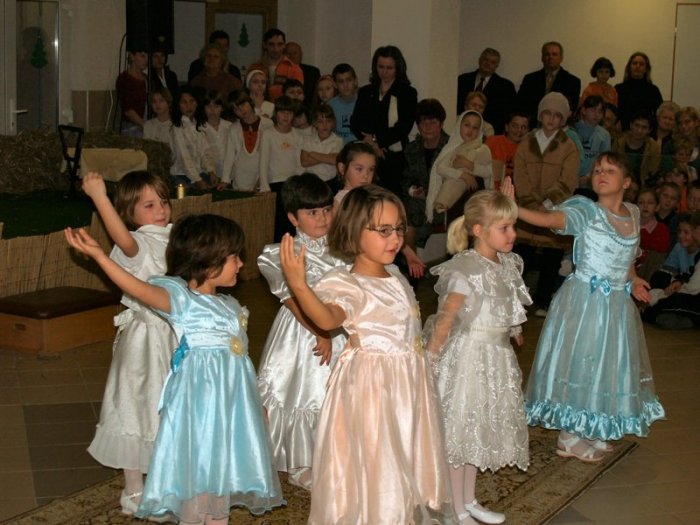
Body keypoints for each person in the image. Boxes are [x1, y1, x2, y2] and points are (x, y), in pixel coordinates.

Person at [64, 214, 285, 524]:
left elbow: (240, 362)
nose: (240, 263)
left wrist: (254, 401)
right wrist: (101, 257)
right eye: (234, 256)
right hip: (199, 410)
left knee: (222, 474)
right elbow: (138, 289)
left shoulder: (231, 305)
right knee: (198, 476)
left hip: (231, 408)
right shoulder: (182, 300)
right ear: (208, 262)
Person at [278, 184, 454, 524]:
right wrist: (299, 285)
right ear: (355, 232)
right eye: (383, 230)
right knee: (378, 461)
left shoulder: (396, 275)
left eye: (399, 229)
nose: (396, 238)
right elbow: (327, 319)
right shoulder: (347, 283)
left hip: (408, 387)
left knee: (406, 456)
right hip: (373, 392)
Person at [502, 152, 665, 463]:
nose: (601, 174)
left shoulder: (632, 213)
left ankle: (589, 426)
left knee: (605, 366)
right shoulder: (586, 211)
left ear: (626, 182)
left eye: (610, 170)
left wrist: (633, 280)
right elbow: (549, 220)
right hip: (586, 301)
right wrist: (515, 208)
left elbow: (628, 258)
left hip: (616, 305)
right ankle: (569, 435)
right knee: (582, 362)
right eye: (597, 169)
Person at [424, 190, 531, 525]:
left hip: (496, 360)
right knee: (459, 434)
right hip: (469, 360)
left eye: (513, 226)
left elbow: (508, 301)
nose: (513, 234)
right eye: (504, 228)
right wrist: (430, 360)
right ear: (478, 230)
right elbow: (446, 318)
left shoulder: (507, 264)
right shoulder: (465, 269)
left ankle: (468, 500)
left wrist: (514, 328)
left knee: (477, 432)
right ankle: (454, 509)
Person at [81, 171, 176, 519]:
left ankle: (166, 477)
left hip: (174, 336)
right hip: (145, 340)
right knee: (136, 408)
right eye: (149, 205)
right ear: (129, 214)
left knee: (167, 409)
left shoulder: (173, 236)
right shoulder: (138, 243)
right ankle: (134, 489)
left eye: (163, 201)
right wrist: (100, 197)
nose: (160, 210)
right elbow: (124, 242)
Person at [257, 173, 347, 491]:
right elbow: (292, 301)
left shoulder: (341, 249)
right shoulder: (280, 253)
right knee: (304, 390)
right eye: (312, 212)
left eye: (326, 210)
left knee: (337, 391)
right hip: (302, 332)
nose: (322, 218)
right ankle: (299, 463)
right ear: (294, 218)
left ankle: (332, 453)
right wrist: (321, 331)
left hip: (338, 327)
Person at [513, 92, 579, 316]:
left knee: (552, 256)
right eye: (547, 113)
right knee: (521, 254)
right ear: (540, 115)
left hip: (553, 209)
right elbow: (520, 175)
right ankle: (515, 299)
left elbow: (568, 179)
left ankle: (543, 301)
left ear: (563, 119)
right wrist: (530, 201)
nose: (551, 119)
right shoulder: (526, 143)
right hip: (528, 207)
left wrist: (549, 202)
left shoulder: (568, 146)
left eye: (557, 115)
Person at [334, 140, 426, 278]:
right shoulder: (341, 202)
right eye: (359, 169)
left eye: (371, 169)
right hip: (354, 266)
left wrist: (409, 254)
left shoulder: (373, 198)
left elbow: (390, 230)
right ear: (342, 168)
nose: (366, 175)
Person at [350, 45, 417, 196]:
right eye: (381, 67)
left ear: (398, 68)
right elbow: (355, 123)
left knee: (390, 197)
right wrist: (372, 144)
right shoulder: (366, 91)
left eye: (389, 68)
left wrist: (377, 140)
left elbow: (404, 127)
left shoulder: (407, 93)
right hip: (366, 152)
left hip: (393, 156)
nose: (384, 72)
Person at [426, 110, 493, 222]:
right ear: (459, 126)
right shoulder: (452, 148)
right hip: (455, 199)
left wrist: (469, 165)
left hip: (475, 194)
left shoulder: (482, 149)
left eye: (475, 128)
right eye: (467, 125)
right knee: (456, 225)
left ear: (479, 131)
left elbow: (488, 173)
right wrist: (463, 175)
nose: (470, 130)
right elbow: (440, 168)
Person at [402, 98, 450, 251]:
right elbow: (405, 180)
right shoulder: (412, 149)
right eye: (423, 122)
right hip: (417, 203)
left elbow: (454, 184)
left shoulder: (451, 148)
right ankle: (411, 260)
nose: (427, 127)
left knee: (411, 218)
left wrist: (429, 195)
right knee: (403, 212)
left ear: (441, 124)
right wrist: (413, 191)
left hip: (443, 205)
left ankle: (410, 260)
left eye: (432, 122)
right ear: (418, 126)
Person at [643, 210, 700, 329]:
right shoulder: (679, 247)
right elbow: (668, 271)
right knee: (658, 277)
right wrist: (676, 282)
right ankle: (675, 315)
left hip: (691, 293)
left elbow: (692, 289)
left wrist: (665, 294)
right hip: (684, 285)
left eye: (687, 232)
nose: (681, 236)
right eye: (679, 231)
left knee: (678, 300)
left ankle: (652, 312)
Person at [259, 95, 304, 241]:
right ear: (276, 114)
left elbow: (299, 162)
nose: (285, 116)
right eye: (282, 112)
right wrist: (264, 185)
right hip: (275, 183)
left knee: (293, 224)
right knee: (278, 224)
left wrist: (300, 183)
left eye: (289, 112)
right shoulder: (268, 134)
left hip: (293, 185)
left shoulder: (297, 135)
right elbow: (263, 161)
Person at [219, 91, 273, 192]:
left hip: (263, 177)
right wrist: (225, 179)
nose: (241, 110)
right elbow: (229, 156)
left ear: (250, 102)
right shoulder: (233, 129)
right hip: (240, 179)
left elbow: (272, 155)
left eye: (243, 104)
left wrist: (262, 180)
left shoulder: (268, 124)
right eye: (236, 109)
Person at [456, 47, 517, 134]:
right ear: (480, 60)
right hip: (460, 130)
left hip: (490, 133)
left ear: (496, 66)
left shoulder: (506, 87)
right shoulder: (462, 80)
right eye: (486, 60)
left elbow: (508, 115)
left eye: (492, 62)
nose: (488, 63)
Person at [516, 42, 581, 121]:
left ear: (561, 58)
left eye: (554, 54)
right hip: (532, 124)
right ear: (542, 58)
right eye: (547, 54)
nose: (550, 57)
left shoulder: (573, 82)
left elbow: (570, 109)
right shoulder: (530, 79)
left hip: (558, 124)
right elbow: (520, 104)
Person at [169, 86, 217, 189]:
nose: (188, 106)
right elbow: (184, 157)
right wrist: (197, 180)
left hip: (199, 173)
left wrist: (211, 171)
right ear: (178, 105)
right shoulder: (177, 128)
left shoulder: (199, 125)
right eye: (184, 102)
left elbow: (206, 151)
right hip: (180, 175)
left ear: (197, 103)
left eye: (192, 101)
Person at [249, 28, 304, 101]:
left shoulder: (294, 69)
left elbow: (297, 96)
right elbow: (247, 91)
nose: (276, 49)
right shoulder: (255, 67)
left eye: (280, 44)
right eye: (271, 44)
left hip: (284, 107)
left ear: (284, 45)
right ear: (264, 45)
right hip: (259, 106)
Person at [611, 110, 660, 191]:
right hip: (619, 185)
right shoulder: (619, 142)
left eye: (644, 127)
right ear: (631, 125)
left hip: (643, 188)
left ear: (649, 130)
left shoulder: (653, 147)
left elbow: (652, 173)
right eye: (637, 125)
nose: (639, 130)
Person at [299, 104, 344, 191]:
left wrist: (312, 154)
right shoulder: (308, 139)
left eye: (328, 121)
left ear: (333, 123)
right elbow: (304, 162)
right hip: (310, 182)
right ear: (315, 123)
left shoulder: (338, 140)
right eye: (320, 122)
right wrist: (327, 157)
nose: (324, 125)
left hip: (330, 182)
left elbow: (334, 160)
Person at [614, 52, 663, 130]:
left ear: (646, 69)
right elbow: (613, 112)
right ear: (629, 67)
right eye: (634, 63)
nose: (637, 66)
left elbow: (659, 114)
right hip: (622, 131)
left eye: (641, 64)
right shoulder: (619, 89)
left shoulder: (653, 90)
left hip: (644, 131)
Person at [485, 111, 530, 189]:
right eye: (515, 126)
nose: (519, 130)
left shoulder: (528, 151)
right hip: (489, 191)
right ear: (506, 127)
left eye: (523, 127)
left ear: (528, 131)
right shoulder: (493, 141)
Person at [575, 95, 611, 188]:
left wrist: (588, 176)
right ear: (583, 110)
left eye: (600, 111)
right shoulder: (573, 130)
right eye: (593, 110)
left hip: (592, 181)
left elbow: (604, 161)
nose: (596, 114)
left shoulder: (604, 135)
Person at [636, 188, 671, 281]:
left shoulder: (661, 228)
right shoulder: (630, 226)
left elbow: (662, 248)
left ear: (657, 207)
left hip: (650, 271)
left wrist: (641, 237)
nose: (645, 206)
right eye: (641, 202)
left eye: (650, 203)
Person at [117, 50, 148, 137]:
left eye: (147, 57)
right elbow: (128, 110)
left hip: (146, 124)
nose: (146, 60)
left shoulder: (147, 79)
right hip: (131, 128)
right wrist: (145, 126)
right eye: (142, 56)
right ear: (132, 56)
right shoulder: (125, 79)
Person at [202, 90, 232, 182]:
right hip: (209, 175)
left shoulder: (230, 127)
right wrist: (211, 172)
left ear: (222, 108)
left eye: (216, 106)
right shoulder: (200, 129)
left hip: (230, 174)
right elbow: (203, 154)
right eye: (208, 106)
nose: (212, 110)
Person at [328, 63, 359, 143]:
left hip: (359, 146)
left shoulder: (364, 103)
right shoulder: (330, 106)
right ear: (335, 84)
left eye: (349, 80)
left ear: (355, 81)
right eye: (341, 81)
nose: (345, 85)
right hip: (337, 147)